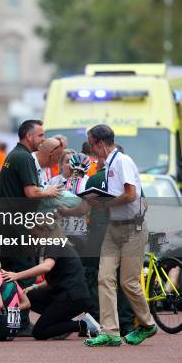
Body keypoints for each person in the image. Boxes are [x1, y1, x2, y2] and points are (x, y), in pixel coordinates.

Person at [73, 125, 157, 346]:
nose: (91, 149)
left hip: (133, 228)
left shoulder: (122, 161)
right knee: (105, 278)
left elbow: (130, 195)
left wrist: (105, 203)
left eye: (92, 144)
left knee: (129, 282)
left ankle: (148, 324)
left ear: (100, 143)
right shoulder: (108, 163)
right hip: (114, 228)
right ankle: (110, 332)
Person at [0, 119, 61, 336]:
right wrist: (49, 192)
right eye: (41, 135)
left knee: (9, 273)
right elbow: (31, 193)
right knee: (23, 273)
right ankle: (21, 322)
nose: (43, 140)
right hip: (18, 224)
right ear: (29, 136)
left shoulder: (13, 155)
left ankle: (1, 315)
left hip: (7, 224)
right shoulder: (24, 158)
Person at [2, 222, 101, 340]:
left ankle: (83, 324)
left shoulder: (54, 243)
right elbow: (55, 280)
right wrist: (35, 287)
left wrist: (17, 275)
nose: (33, 239)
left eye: (35, 236)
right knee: (29, 295)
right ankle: (61, 323)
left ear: (45, 231)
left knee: (39, 332)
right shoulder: (56, 245)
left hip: (72, 297)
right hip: (68, 295)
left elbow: (46, 267)